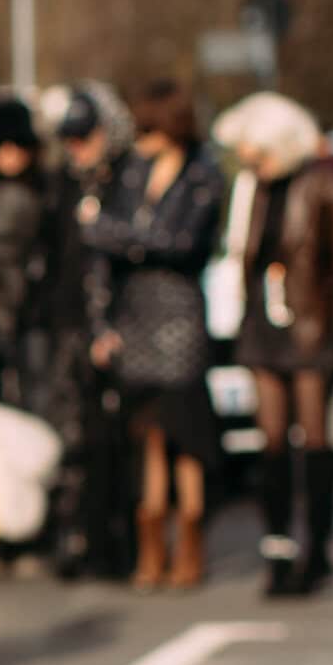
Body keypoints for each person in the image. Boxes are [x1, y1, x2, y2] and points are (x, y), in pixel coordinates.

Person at [214, 94, 333, 597]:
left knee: (315, 438)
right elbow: (244, 255)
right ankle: (278, 547)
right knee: (272, 440)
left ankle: (317, 548)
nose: (252, 161)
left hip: (311, 327)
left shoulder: (327, 184)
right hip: (264, 324)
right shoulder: (255, 187)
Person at [82, 78, 225, 590]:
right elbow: (99, 245)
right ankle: (151, 544)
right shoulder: (130, 174)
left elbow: (182, 241)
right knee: (147, 434)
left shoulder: (204, 174)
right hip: (135, 314)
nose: (140, 140)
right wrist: (103, 323)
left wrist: (122, 240)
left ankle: (190, 539)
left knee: (186, 429)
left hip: (181, 313)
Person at [38, 83, 136, 577]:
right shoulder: (61, 185)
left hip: (119, 325)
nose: (78, 147)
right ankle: (77, 536)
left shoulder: (125, 181)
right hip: (68, 323)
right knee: (73, 434)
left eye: (86, 136)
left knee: (119, 436)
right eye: (70, 139)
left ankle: (120, 538)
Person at [0, 91, 47, 404]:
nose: (9, 153)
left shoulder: (47, 192)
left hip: (35, 311)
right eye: (1, 144)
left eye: (16, 143)